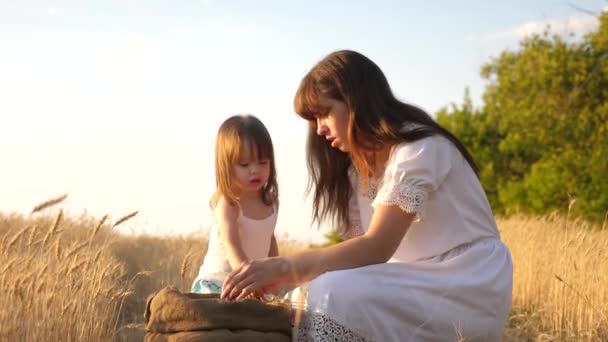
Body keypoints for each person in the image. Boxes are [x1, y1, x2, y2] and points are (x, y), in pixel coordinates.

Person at [221, 50, 513, 341]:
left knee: (330, 293)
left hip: (466, 282)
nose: (320, 129)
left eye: (324, 112)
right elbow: (357, 258)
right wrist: (285, 281)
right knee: (304, 298)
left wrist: (284, 266)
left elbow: (377, 247)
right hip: (413, 278)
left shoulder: (420, 148)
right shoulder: (355, 171)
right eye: (314, 119)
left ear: (354, 101)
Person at [191, 114, 280, 295]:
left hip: (250, 282)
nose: (255, 170)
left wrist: (274, 272)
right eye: (244, 164)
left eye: (262, 162)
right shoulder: (229, 203)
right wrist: (249, 278)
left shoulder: (271, 202)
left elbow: (269, 239)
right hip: (218, 283)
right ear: (227, 167)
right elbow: (232, 246)